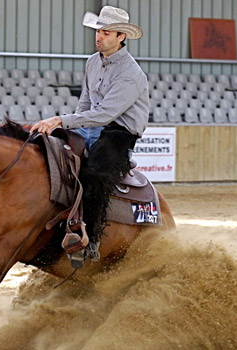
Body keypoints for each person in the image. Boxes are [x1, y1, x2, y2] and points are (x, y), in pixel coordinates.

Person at [30, 6, 149, 249]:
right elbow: (85, 102)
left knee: (94, 174)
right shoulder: (93, 62)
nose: (99, 36)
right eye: (98, 31)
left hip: (119, 132)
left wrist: (61, 120)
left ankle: (89, 239)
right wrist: (69, 124)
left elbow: (106, 113)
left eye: (107, 32)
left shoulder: (131, 73)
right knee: (45, 148)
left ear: (121, 37)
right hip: (91, 125)